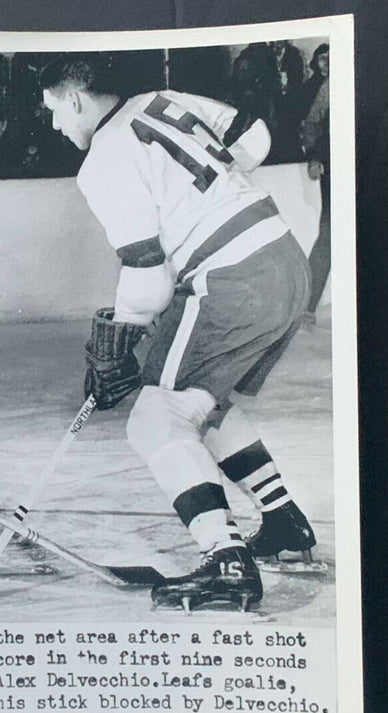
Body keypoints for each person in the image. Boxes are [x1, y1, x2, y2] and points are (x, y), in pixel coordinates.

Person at [40, 54, 319, 612]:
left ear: (73, 99)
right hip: (285, 258)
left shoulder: (101, 161)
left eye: (52, 110)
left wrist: (119, 338)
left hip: (232, 275)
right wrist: (207, 197)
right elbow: (254, 136)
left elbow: (147, 275)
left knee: (155, 419)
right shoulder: (165, 103)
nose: (54, 124)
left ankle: (227, 561)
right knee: (204, 402)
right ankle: (285, 522)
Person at [300, 45, 331, 326]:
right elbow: (312, 124)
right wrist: (314, 157)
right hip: (336, 168)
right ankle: (306, 306)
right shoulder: (327, 88)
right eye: (323, 58)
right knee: (329, 235)